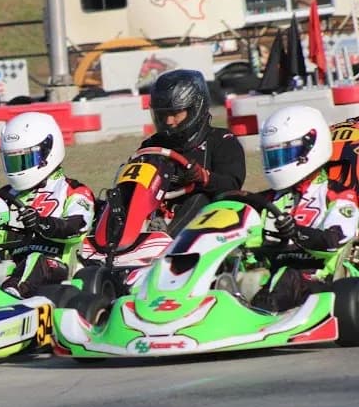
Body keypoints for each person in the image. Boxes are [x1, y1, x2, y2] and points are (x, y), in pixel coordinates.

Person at [251, 105, 359, 312]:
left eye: (285, 154)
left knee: (288, 276)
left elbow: (334, 240)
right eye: (273, 156)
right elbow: (250, 237)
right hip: (272, 272)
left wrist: (296, 232)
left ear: (309, 149)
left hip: (319, 278)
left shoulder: (338, 195)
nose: (278, 163)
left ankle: (257, 316)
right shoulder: (267, 199)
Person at [0, 111, 95, 298]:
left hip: (56, 264)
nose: (19, 168)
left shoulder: (73, 190)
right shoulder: (4, 195)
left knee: (34, 260)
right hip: (10, 264)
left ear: (47, 152)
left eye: (25, 159)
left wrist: (41, 223)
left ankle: (11, 298)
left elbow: (78, 227)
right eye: (13, 161)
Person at [141, 69, 246, 235]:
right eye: (163, 114)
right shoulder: (152, 145)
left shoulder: (221, 140)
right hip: (156, 214)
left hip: (204, 226)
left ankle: (166, 239)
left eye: (175, 113)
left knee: (199, 198)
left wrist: (205, 178)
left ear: (195, 108)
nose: (168, 121)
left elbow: (232, 185)